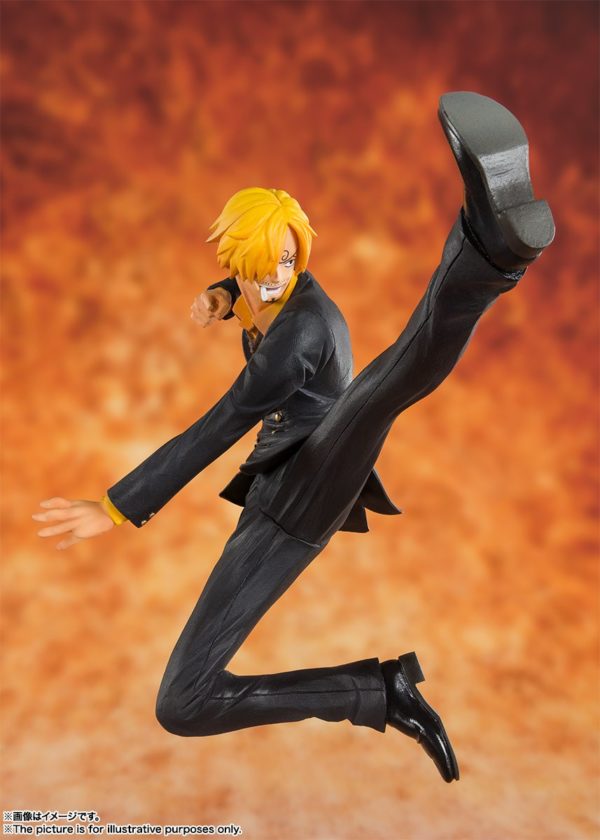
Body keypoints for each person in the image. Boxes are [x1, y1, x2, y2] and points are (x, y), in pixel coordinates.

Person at [33, 92, 554, 783]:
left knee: (395, 377)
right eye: (259, 265)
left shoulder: (303, 331)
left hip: (315, 472)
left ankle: (489, 251)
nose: (274, 276)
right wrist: (223, 296)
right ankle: (378, 691)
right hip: (279, 490)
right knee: (185, 701)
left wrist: (116, 506)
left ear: (300, 252)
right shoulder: (269, 289)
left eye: (285, 261)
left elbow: (216, 428)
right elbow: (254, 281)